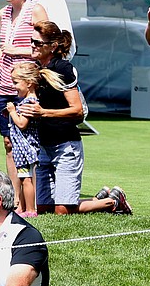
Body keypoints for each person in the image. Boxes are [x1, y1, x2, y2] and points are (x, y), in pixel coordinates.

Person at [24, 22, 127, 215]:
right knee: (44, 210)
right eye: (31, 41)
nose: (33, 46)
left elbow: (77, 111)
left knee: (62, 212)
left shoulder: (63, 68)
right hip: (44, 146)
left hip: (66, 146)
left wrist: (43, 112)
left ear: (52, 46)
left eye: (37, 43)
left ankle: (113, 202)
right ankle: (101, 197)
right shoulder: (37, 68)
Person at [0, 0, 49, 207]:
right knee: (9, 143)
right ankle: (14, 200)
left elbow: (47, 46)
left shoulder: (36, 11)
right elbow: (6, 45)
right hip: (3, 85)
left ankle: (30, 202)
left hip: (25, 88)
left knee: (29, 143)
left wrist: (18, 51)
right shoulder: (3, 13)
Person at [5, 62, 43, 217]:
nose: (14, 87)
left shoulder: (29, 102)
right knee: (22, 178)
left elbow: (22, 124)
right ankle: (20, 207)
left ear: (29, 83)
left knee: (26, 179)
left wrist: (13, 112)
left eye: (16, 83)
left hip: (26, 147)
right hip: (20, 147)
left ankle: (30, 209)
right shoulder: (26, 100)